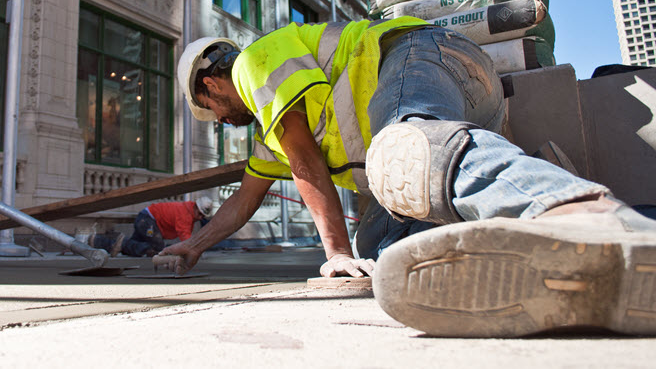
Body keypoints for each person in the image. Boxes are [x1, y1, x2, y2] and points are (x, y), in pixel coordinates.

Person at [159, 18, 656, 338]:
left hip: (427, 56)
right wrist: (193, 245)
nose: (223, 121)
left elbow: (305, 161)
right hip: (464, 104)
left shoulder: (254, 63)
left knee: (406, 153)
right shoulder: (269, 137)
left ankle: (580, 213)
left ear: (211, 84)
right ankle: (530, 241)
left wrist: (334, 255)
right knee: (379, 242)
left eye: (214, 112)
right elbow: (241, 204)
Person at [91, 197, 213, 257]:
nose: (200, 218)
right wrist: (193, 251)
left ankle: (96, 241)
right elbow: (185, 237)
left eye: (203, 216)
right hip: (147, 220)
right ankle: (123, 244)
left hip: (146, 219)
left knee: (134, 248)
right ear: (196, 207)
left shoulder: (189, 212)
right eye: (200, 214)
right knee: (158, 249)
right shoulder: (185, 214)